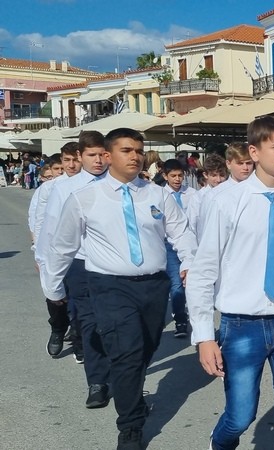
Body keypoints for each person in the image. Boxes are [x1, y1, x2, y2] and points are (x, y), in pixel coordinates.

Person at [43, 128, 197, 449]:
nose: (135, 156)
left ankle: (131, 394)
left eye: (139, 150)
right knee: (127, 353)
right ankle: (130, 426)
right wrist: (54, 288)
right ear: (108, 156)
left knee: (145, 349)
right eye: (126, 150)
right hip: (109, 286)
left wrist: (189, 263)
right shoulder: (85, 198)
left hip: (154, 286)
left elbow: (181, 232)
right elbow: (63, 246)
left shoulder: (158, 195)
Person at [187, 116, 274, 450]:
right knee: (240, 416)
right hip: (242, 325)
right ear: (254, 152)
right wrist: (204, 336)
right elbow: (203, 272)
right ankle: (220, 442)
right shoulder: (227, 202)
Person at [37, 132, 112, 405]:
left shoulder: (120, 183)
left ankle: (126, 375)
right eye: (92, 155)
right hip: (81, 264)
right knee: (88, 323)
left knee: (119, 324)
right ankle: (97, 382)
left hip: (115, 266)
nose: (99, 160)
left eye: (103, 154)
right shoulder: (63, 188)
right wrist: (47, 268)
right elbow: (51, 230)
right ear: (80, 156)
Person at [30, 143, 81, 359]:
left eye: (75, 160)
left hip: (81, 253)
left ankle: (79, 339)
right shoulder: (50, 188)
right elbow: (39, 222)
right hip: (54, 251)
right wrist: (39, 253)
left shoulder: (93, 184)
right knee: (55, 296)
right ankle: (58, 329)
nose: (71, 165)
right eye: (66, 160)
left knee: (79, 299)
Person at [160, 158, 198, 338]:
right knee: (176, 284)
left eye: (180, 176)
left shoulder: (192, 194)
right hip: (169, 244)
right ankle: (180, 320)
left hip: (191, 243)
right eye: (173, 176)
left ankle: (197, 320)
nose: (177, 179)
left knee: (193, 283)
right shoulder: (160, 195)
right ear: (165, 176)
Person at [195, 142, 253, 238]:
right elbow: (204, 232)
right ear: (228, 164)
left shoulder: (260, 191)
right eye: (240, 163)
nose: (245, 168)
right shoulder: (213, 195)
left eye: (249, 163)